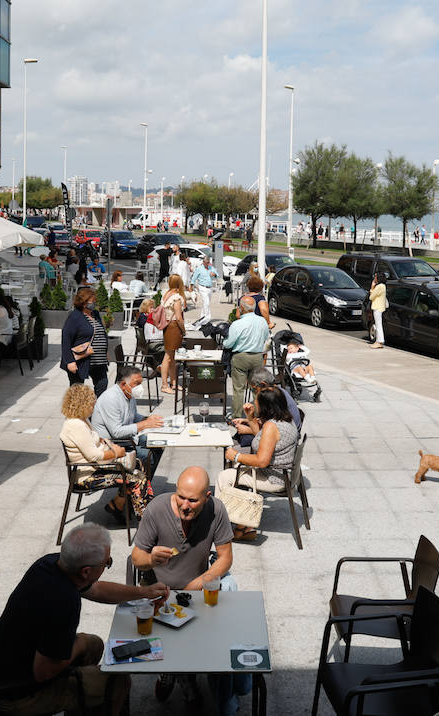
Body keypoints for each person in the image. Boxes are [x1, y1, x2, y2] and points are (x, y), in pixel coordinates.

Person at [0, 523, 168, 716]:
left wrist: (143, 592)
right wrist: (76, 646)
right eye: (107, 563)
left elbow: (96, 589)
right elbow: (43, 671)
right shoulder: (64, 600)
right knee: (118, 681)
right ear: (86, 572)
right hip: (16, 695)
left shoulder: (50, 563)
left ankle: (83, 702)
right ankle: (86, 695)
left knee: (94, 644)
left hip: (5, 667)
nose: (106, 566)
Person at [131, 467, 247, 712]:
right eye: (180, 496)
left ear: (206, 496)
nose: (185, 505)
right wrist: (151, 559)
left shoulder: (216, 510)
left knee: (228, 594)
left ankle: (204, 679)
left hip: (196, 588)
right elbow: (136, 558)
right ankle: (179, 677)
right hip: (160, 589)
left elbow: (225, 558)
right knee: (173, 635)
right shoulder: (157, 509)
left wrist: (197, 584)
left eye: (193, 500)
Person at [63, 383, 152, 523]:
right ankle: (146, 522)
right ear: (82, 404)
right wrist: (117, 453)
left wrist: (108, 444)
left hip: (95, 468)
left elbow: (95, 442)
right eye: (91, 402)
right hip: (88, 476)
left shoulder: (81, 421)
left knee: (139, 465)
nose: (94, 405)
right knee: (137, 478)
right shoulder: (76, 425)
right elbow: (95, 456)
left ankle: (119, 504)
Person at [221, 387, 299, 526]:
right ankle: (241, 522)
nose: (254, 404)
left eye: (256, 402)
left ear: (265, 407)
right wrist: (250, 417)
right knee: (236, 467)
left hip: (273, 478)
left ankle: (222, 524)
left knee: (225, 476)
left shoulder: (271, 426)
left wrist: (236, 455)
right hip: (285, 474)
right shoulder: (286, 419)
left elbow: (262, 461)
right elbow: (260, 437)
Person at [90, 366, 164, 477]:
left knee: (159, 443)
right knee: (146, 455)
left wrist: (147, 419)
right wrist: (144, 424)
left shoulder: (129, 394)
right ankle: (137, 486)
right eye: (136, 384)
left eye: (141, 383)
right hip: (112, 443)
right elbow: (117, 432)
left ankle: (144, 483)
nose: (139, 387)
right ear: (124, 384)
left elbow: (133, 416)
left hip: (127, 437)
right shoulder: (111, 399)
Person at [223, 296, 270, 417]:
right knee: (257, 389)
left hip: (241, 357)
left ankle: (237, 416)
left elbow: (228, 344)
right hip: (257, 357)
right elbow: (265, 338)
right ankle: (257, 415)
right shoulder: (262, 321)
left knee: (238, 389)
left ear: (242, 308)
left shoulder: (237, 323)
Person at [61, 286, 108, 393]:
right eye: (91, 301)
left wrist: (105, 352)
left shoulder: (95, 314)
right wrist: (70, 361)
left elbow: (100, 333)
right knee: (77, 391)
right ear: (83, 302)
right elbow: (66, 339)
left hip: (99, 361)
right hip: (81, 360)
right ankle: (75, 409)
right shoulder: (75, 316)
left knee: (102, 384)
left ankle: (97, 408)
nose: (94, 304)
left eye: (94, 301)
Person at [158, 274, 188, 392]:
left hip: (167, 326)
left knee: (172, 357)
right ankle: (165, 385)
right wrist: (184, 330)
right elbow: (179, 318)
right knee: (168, 357)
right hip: (173, 327)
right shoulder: (176, 297)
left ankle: (173, 383)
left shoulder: (166, 294)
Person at [190, 256, 219, 328]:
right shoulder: (199, 269)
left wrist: (214, 275)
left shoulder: (211, 268)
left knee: (206, 303)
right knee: (206, 303)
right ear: (203, 262)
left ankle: (202, 317)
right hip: (202, 287)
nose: (207, 264)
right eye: (206, 262)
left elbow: (217, 275)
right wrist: (191, 286)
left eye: (208, 262)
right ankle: (207, 318)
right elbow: (194, 277)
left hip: (209, 288)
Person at [368, 273, 387, 349]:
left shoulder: (379, 287)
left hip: (377, 308)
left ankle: (379, 341)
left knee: (378, 325)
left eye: (375, 277)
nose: (374, 278)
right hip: (380, 308)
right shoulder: (383, 286)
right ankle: (379, 341)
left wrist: (372, 287)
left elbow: (371, 297)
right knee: (379, 324)